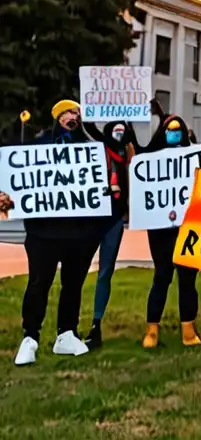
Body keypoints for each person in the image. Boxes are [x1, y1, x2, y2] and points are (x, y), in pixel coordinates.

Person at [9, 101, 106, 366]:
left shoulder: (88, 150)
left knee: (73, 285)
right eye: (67, 113)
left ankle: (66, 333)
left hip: (77, 235)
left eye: (76, 113)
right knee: (39, 284)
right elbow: (20, 180)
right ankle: (30, 337)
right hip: (43, 233)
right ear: (57, 117)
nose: (72, 116)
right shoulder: (38, 147)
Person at [138, 115, 201, 349]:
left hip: (188, 228)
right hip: (160, 229)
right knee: (162, 277)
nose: (173, 133)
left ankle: (188, 328)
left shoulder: (196, 161)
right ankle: (152, 330)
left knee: (188, 279)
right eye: (169, 129)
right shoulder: (149, 160)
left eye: (178, 129)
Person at [85, 121, 136, 350]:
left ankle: (96, 323)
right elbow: (89, 127)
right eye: (116, 130)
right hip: (93, 217)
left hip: (115, 219)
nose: (119, 134)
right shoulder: (98, 148)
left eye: (122, 131)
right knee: (76, 272)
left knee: (106, 271)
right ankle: (67, 327)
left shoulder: (128, 153)